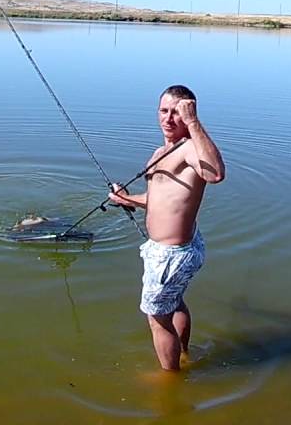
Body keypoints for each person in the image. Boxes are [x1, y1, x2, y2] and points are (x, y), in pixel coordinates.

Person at [108, 84, 225, 371]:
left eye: (177, 113)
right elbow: (160, 200)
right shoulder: (162, 151)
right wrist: (127, 199)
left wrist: (194, 122)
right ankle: (184, 353)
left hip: (171, 255)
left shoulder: (190, 150)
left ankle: (170, 379)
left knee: (157, 318)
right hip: (175, 249)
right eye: (164, 111)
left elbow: (216, 173)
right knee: (174, 302)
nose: (169, 118)